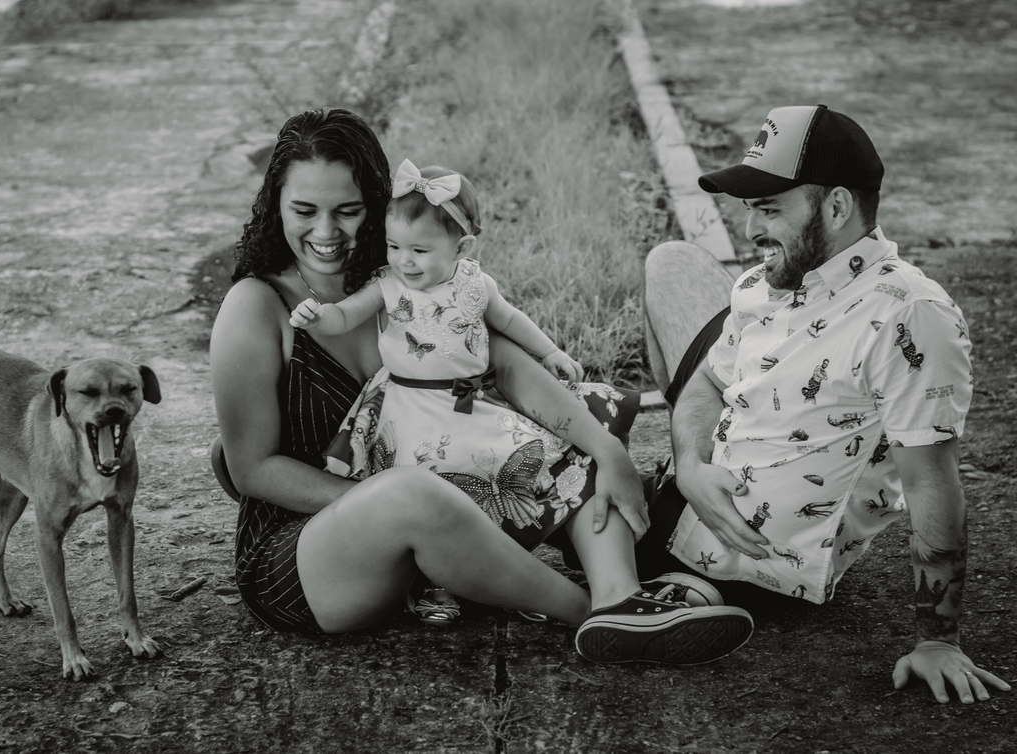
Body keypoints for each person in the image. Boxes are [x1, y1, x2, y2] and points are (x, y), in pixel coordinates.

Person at [208, 106, 753, 665]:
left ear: (376, 206)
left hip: (424, 518)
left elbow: (511, 369)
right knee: (414, 493)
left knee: (577, 421)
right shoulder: (255, 306)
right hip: (305, 554)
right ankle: (591, 614)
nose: (326, 233)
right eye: (304, 211)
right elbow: (251, 469)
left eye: (347, 211)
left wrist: (608, 451)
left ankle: (623, 594)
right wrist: (434, 512)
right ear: (275, 204)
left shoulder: (404, 277)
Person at [640, 104, 1012, 702]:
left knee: (536, 475)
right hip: (690, 492)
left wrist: (937, 641)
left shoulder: (910, 315)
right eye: (750, 209)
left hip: (738, 559)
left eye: (770, 210)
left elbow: (931, 482)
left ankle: (640, 595)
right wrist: (688, 466)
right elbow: (708, 381)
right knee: (671, 261)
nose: (750, 230)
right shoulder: (770, 282)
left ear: (837, 207)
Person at [286, 157, 586, 624]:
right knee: (429, 485)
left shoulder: (475, 283)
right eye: (394, 246)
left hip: (467, 401)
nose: (404, 260)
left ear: (461, 247)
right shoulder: (387, 285)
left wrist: (548, 351)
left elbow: (510, 320)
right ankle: (432, 584)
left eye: (419, 250)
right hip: (410, 408)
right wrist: (318, 317)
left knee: (494, 468)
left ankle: (504, 564)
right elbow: (345, 315)